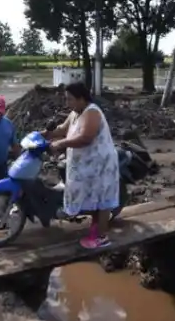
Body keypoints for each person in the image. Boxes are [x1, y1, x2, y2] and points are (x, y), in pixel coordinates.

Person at [43, 81, 120, 250]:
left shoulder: (91, 112)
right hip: (86, 164)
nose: (67, 103)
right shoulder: (75, 113)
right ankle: (94, 231)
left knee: (101, 200)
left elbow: (86, 138)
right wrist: (43, 135)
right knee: (93, 199)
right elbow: (62, 129)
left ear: (81, 99)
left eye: (70, 99)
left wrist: (60, 144)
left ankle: (102, 237)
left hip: (100, 164)